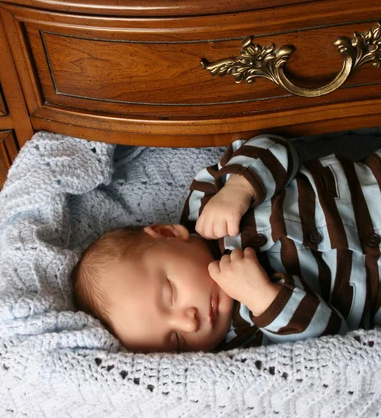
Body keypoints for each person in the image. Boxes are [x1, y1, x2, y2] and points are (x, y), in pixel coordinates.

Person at [71, 133, 381, 353]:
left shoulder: (207, 203)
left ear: (167, 234)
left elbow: (275, 147)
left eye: (172, 294)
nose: (190, 324)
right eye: (176, 340)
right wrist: (266, 300)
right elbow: (333, 343)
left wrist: (239, 189)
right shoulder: (246, 338)